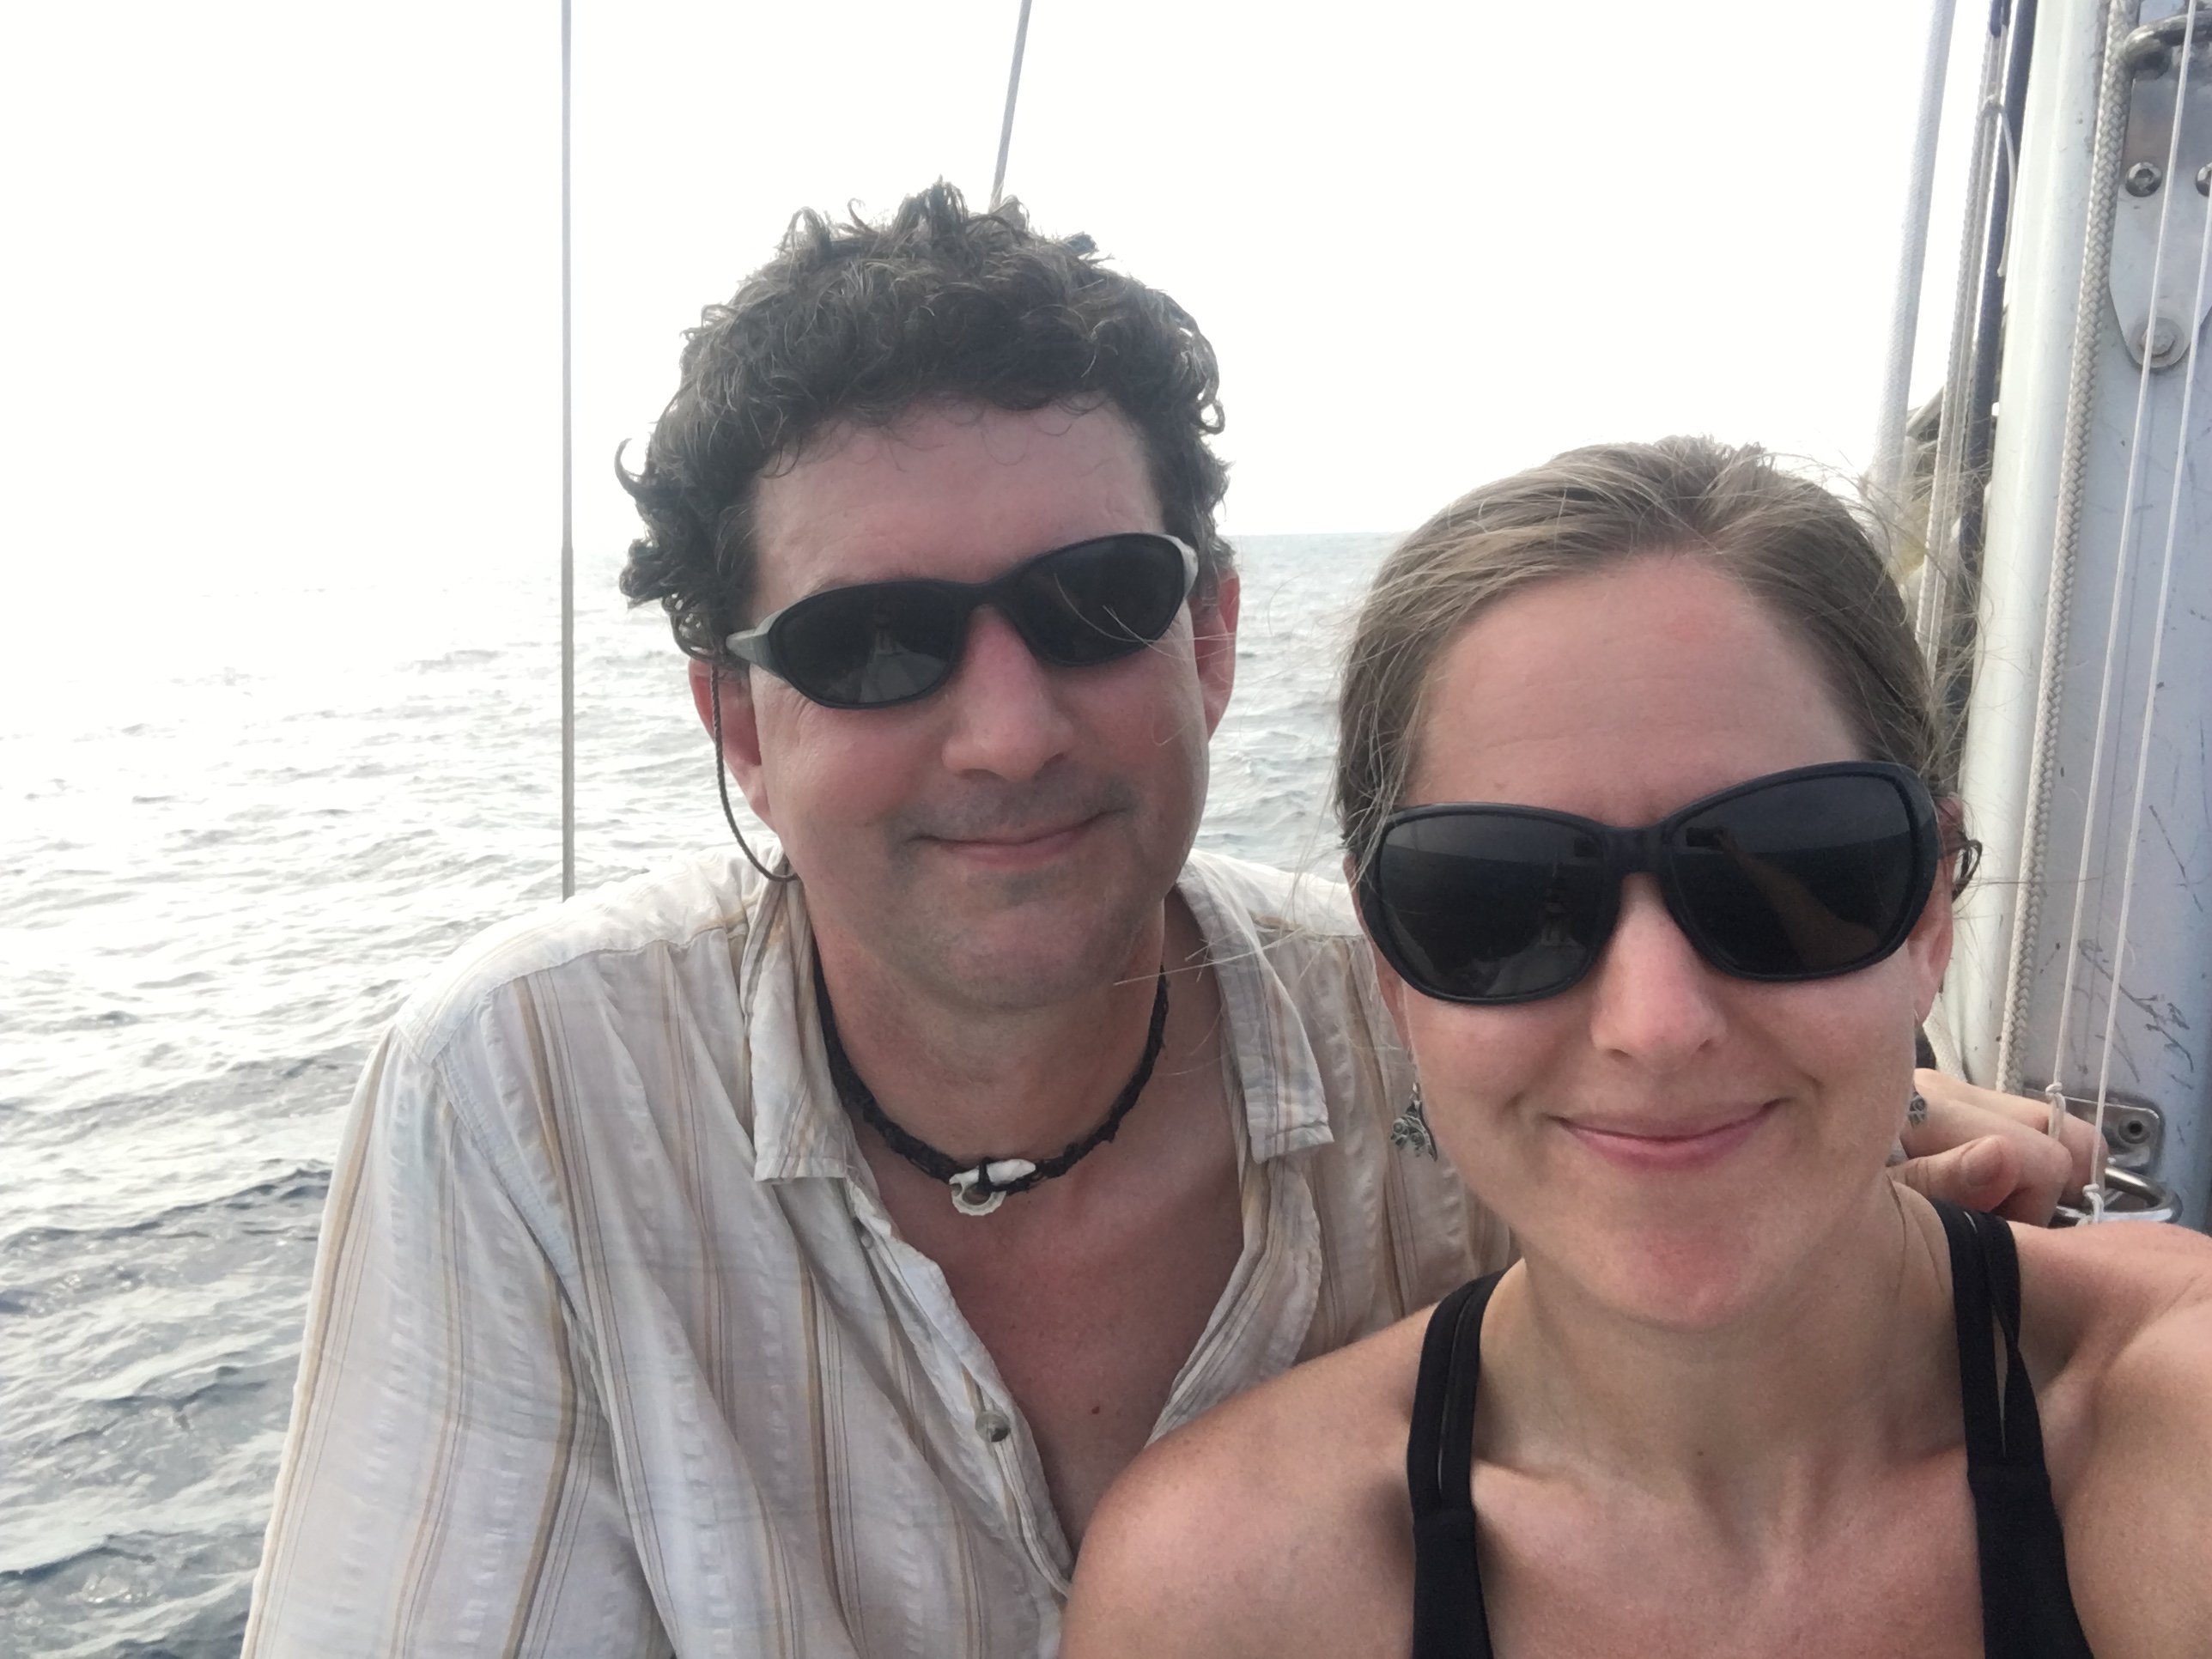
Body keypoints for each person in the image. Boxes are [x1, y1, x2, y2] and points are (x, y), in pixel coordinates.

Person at [243, 191, 2091, 1657]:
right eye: (870, 645)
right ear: (738, 719)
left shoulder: (1445, 999)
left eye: (1093, 603)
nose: (1007, 730)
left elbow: (1673, 1046)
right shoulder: (530, 1095)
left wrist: (1897, 1109)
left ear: (1207, 637)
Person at [1061, 437, 2212, 1659]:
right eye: (1499, 900)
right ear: (1391, 964)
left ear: (1928, 909)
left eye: (1787, 870)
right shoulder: (1226, 1595)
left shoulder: (2172, 1422)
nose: (1655, 1026)